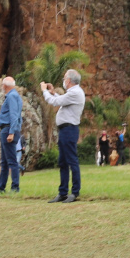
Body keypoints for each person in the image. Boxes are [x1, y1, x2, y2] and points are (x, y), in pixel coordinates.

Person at [41, 69, 86, 203]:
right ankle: (63, 192)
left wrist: (44, 90)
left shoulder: (75, 92)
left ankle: (74, 192)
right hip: (66, 130)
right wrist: (53, 93)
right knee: (63, 162)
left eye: (65, 78)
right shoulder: (73, 93)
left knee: (72, 161)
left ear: (69, 80)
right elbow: (59, 100)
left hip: (69, 130)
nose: (64, 81)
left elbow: (54, 102)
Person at [0, 76, 23, 193]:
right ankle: (1, 188)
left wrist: (11, 132)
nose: (2, 87)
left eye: (2, 85)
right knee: (5, 162)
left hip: (7, 130)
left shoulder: (11, 96)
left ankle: (15, 187)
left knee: (11, 161)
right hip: (8, 130)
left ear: (5, 86)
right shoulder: (16, 96)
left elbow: (14, 115)